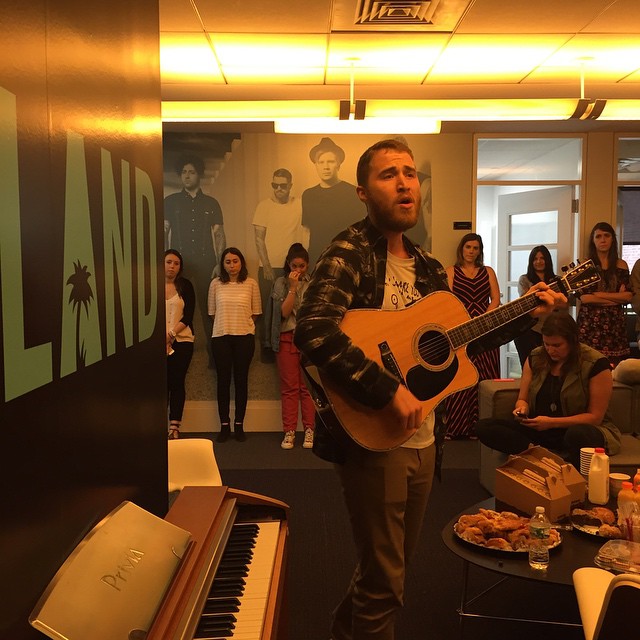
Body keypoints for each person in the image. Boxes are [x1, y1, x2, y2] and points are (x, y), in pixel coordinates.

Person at [293, 138, 565, 640]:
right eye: (388, 174)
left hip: (425, 439)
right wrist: (385, 389)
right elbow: (313, 329)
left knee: (386, 571)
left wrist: (529, 311)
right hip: (375, 438)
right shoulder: (348, 251)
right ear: (362, 191)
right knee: (387, 583)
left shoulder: (429, 268)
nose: (403, 182)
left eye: (411, 173)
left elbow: (461, 342)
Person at [476, 313, 621, 469]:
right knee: (484, 427)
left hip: (576, 429)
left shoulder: (595, 363)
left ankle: (544, 457)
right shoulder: (536, 357)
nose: (551, 350)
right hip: (541, 428)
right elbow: (522, 399)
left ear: (572, 341)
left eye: (557, 345)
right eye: (547, 344)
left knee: (579, 435)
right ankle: (542, 455)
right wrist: (521, 409)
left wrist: (551, 422)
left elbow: (595, 417)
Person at [164, 154, 226, 366]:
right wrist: (164, 261)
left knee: (208, 309)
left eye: (191, 172)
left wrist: (219, 262)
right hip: (179, 264)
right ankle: (174, 348)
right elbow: (164, 231)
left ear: (198, 175)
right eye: (184, 172)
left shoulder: (211, 203)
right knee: (175, 306)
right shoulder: (171, 202)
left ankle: (213, 355)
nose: (187, 176)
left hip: (206, 262)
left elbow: (218, 234)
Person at [443, 233, 501, 439]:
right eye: (468, 247)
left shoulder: (488, 271)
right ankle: (456, 428)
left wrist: (483, 320)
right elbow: (446, 300)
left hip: (485, 329)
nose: (471, 251)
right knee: (460, 376)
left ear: (480, 251)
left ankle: (483, 428)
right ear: (462, 249)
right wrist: (462, 321)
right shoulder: (451, 271)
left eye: (476, 248)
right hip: (459, 328)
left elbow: (495, 299)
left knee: (484, 375)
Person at [264, 243, 315, 450]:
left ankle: (310, 429)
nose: (298, 270)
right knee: (290, 388)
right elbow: (283, 313)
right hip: (285, 338)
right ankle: (290, 431)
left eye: (302, 266)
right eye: (294, 265)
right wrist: (293, 289)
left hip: (307, 339)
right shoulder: (280, 283)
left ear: (307, 265)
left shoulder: (313, 284)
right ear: (288, 264)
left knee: (307, 388)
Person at [208, 248, 261, 443]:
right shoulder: (215, 284)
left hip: (244, 338)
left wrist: (242, 324)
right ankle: (224, 425)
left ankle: (239, 425)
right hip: (221, 337)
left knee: (241, 381)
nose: (232, 265)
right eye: (228, 262)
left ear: (242, 263)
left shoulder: (251, 284)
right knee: (223, 381)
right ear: (223, 264)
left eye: (235, 261)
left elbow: (256, 312)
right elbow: (212, 312)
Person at [253, 168, 304, 359]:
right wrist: (266, 266)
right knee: (269, 310)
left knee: (291, 307)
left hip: (291, 265)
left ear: (290, 186)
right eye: (275, 185)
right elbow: (259, 239)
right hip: (268, 266)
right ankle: (267, 350)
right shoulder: (263, 206)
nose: (279, 189)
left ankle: (287, 348)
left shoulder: (298, 204)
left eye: (283, 185)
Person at [301, 137, 365, 266]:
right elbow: (307, 232)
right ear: (316, 165)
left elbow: (360, 231)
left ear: (339, 164)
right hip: (316, 257)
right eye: (321, 162)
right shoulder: (308, 195)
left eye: (330, 161)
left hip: (345, 258)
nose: (326, 167)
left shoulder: (352, 192)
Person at [577, 222, 632, 365]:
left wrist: (599, 294)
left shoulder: (622, 265)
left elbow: (628, 296)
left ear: (612, 239)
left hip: (615, 326)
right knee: (588, 368)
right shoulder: (585, 266)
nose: (603, 240)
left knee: (615, 372)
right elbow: (585, 298)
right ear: (593, 240)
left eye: (606, 235)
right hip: (589, 325)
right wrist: (616, 299)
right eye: (598, 236)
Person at [165, 249, 195, 440]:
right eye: (168, 262)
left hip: (182, 341)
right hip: (155, 344)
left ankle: (174, 427)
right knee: (159, 384)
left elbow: (189, 315)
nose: (172, 266)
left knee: (176, 382)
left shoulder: (185, 286)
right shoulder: (150, 284)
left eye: (176, 263)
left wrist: (171, 334)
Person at [514, 245, 558, 366]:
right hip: (530, 329)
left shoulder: (557, 280)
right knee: (531, 365)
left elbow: (565, 304)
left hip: (552, 328)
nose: (538, 261)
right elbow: (526, 304)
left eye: (542, 258)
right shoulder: (524, 279)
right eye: (535, 259)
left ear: (547, 260)